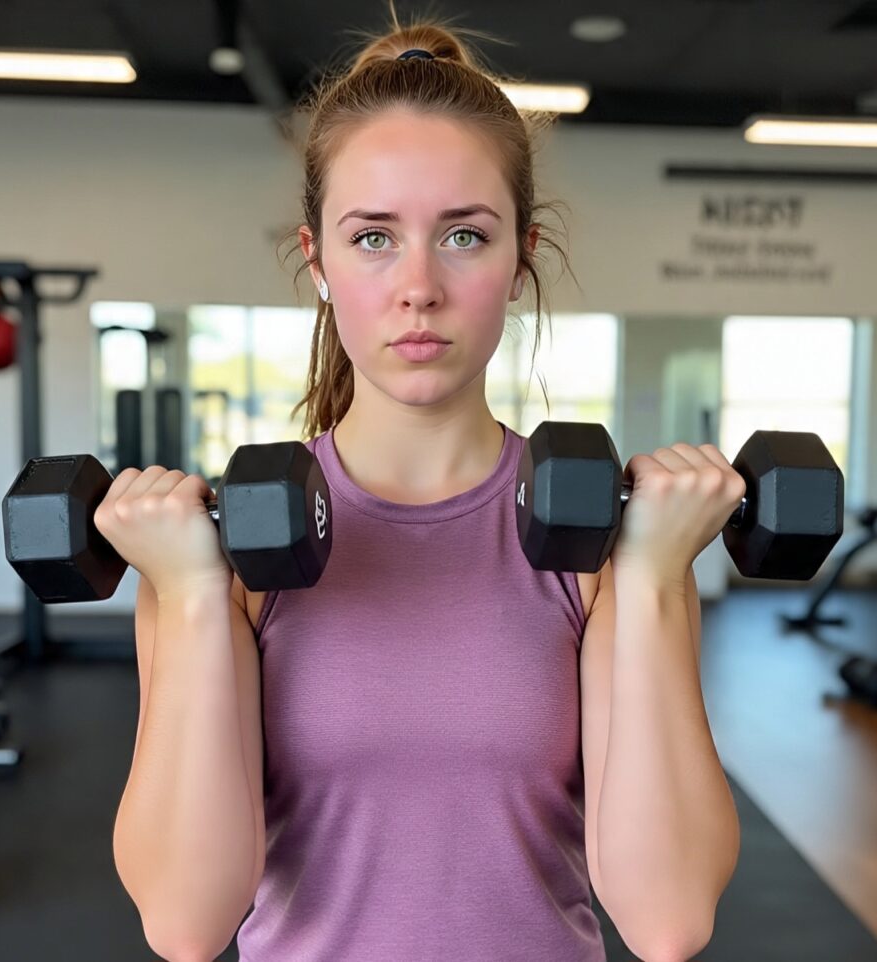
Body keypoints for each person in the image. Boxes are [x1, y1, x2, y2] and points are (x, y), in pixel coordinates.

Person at [103, 8, 743, 962]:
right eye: (371, 238)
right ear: (316, 261)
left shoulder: (603, 554)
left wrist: (651, 577)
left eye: (463, 236)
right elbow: (187, 925)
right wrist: (195, 596)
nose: (417, 286)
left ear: (522, 256)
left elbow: (668, 920)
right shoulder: (228, 556)